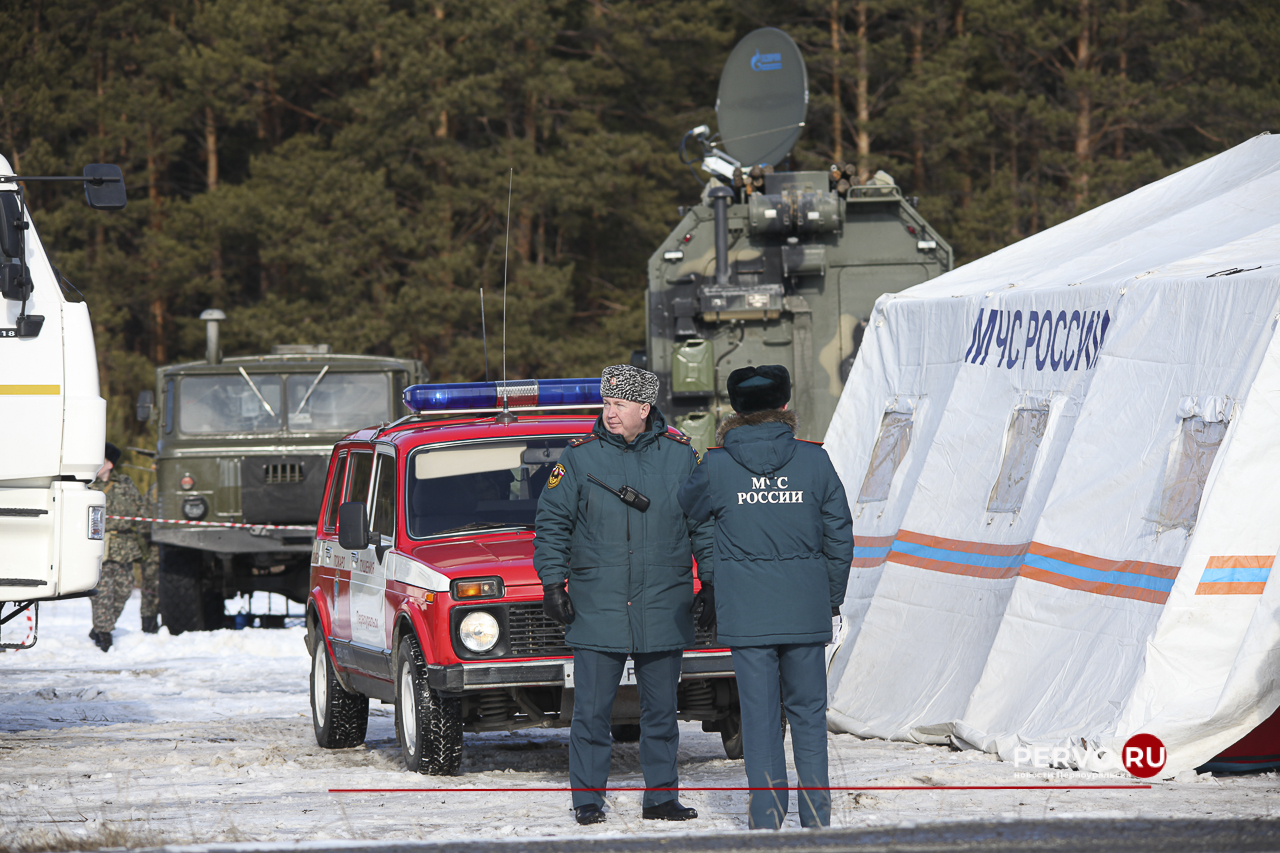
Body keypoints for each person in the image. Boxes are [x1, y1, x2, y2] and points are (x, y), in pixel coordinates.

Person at [534, 364, 712, 826]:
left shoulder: (681, 457)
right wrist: (552, 583)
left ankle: (661, 797)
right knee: (591, 712)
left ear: (644, 408)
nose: (610, 413)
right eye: (606, 403)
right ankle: (587, 799)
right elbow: (552, 525)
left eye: (619, 404)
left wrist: (712, 582)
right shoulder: (579, 459)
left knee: (662, 713)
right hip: (599, 603)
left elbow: (704, 525)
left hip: (663, 602)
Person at [678, 365, 853, 830]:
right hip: (804, 607)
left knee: (759, 718)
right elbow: (840, 534)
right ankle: (816, 820)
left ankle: (767, 819)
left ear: (734, 410)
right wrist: (830, 596)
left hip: (747, 611)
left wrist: (712, 573)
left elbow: (689, 510)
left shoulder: (716, 465)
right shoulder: (815, 460)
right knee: (809, 716)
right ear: (784, 405)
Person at [88, 443, 145, 652]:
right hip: (97, 546)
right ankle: (104, 634)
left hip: (124, 548)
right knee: (102, 593)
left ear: (110, 464)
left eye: (101, 461)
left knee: (123, 591)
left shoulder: (125, 484)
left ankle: (101, 627)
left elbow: (139, 510)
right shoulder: (87, 486)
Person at [139, 481, 160, 634]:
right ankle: (149, 624)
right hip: (155, 545)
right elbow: (145, 517)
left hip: (162, 545)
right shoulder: (156, 489)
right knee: (151, 585)